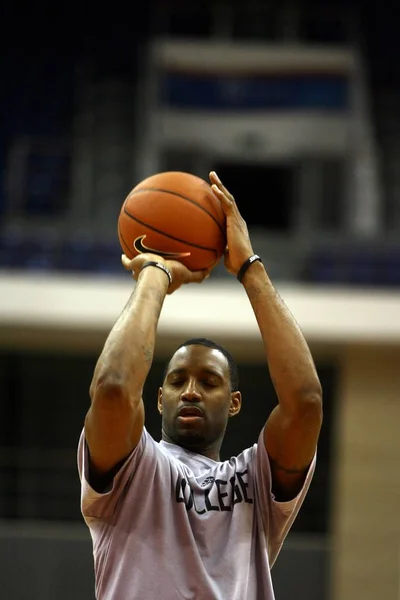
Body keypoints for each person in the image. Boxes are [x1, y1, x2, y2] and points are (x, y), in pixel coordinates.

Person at [77, 171, 323, 600]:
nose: (190, 390)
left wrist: (249, 267)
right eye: (177, 381)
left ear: (234, 402)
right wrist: (156, 273)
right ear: (158, 399)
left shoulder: (256, 482)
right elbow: (114, 388)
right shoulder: (132, 470)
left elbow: (306, 402)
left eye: (208, 382)